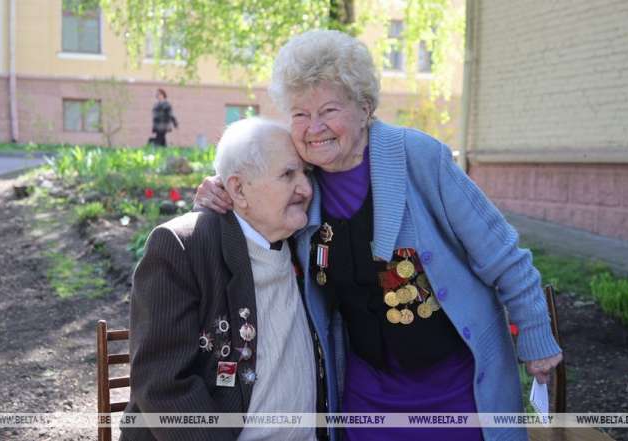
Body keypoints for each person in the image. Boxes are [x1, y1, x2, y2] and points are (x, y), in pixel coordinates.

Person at [195, 30, 563, 441]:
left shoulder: (419, 158)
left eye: (329, 110)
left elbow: (504, 255)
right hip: (366, 400)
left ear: (364, 108)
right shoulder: (303, 179)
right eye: (299, 114)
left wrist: (536, 336)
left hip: (457, 395)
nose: (314, 127)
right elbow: (254, 189)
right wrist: (220, 189)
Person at [121, 118, 326, 441]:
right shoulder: (182, 247)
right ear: (239, 189)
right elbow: (163, 386)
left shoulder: (305, 242)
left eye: (306, 173)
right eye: (288, 174)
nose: (306, 189)